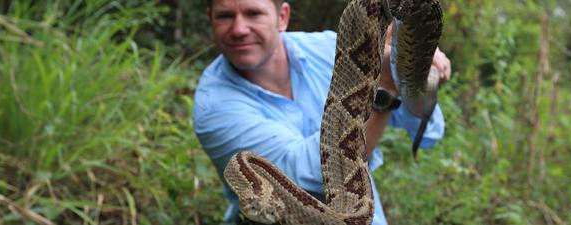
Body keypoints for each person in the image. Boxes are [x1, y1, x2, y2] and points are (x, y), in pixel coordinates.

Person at [193, 0, 452, 224]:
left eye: (253, 13)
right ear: (209, 20)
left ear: (282, 17)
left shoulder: (331, 45)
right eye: (225, 15)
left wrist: (411, 63)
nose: (239, 29)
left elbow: (427, 128)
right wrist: (385, 84)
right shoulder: (213, 105)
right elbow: (306, 178)